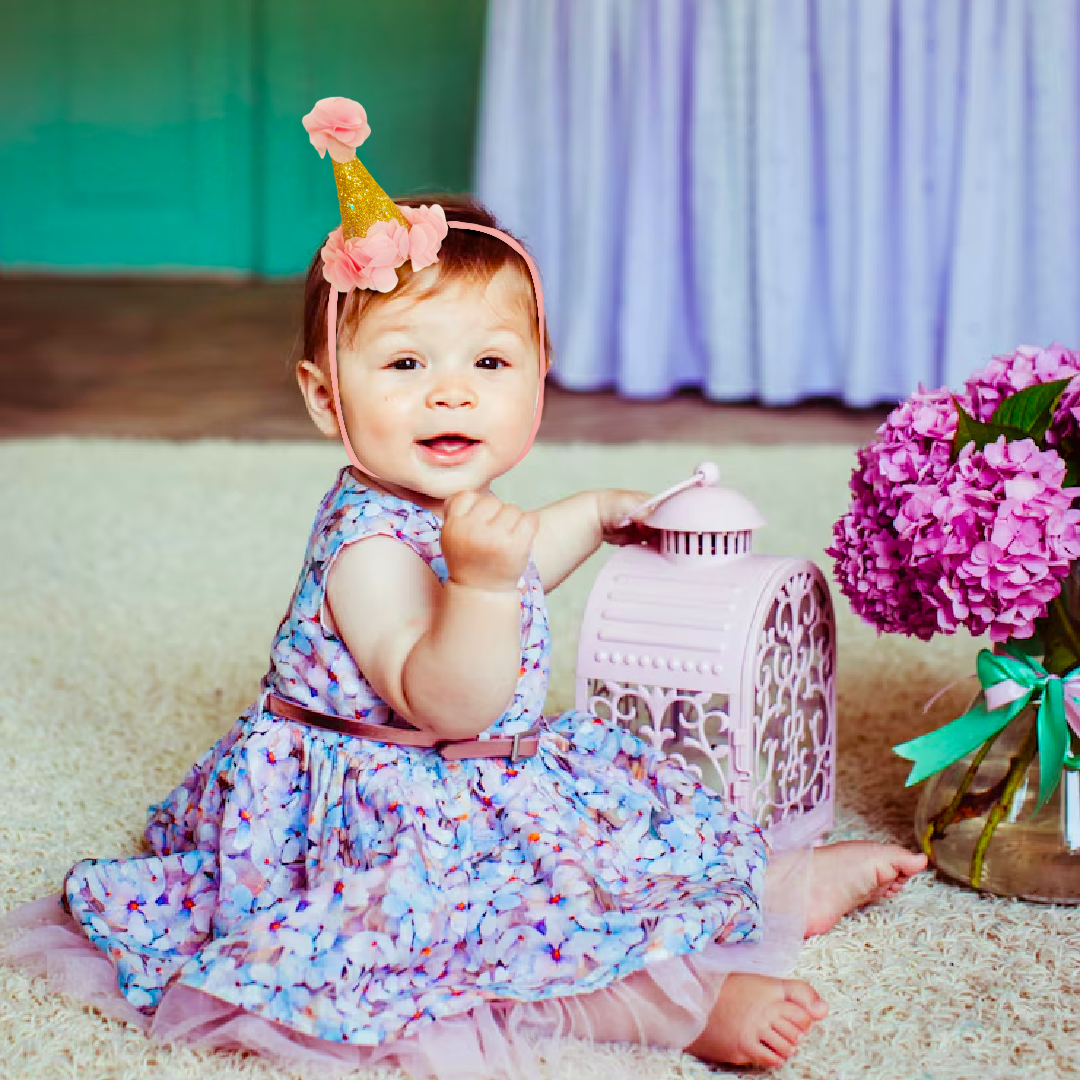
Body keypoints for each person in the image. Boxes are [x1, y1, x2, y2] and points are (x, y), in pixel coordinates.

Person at [0, 99, 927, 1079]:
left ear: (540, 378)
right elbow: (445, 697)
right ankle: (674, 1011)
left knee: (626, 837)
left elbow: (517, 559)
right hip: (385, 809)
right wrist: (482, 587)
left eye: (489, 362)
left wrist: (591, 513)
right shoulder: (366, 545)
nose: (452, 391)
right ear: (327, 397)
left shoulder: (455, 504)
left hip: (483, 776)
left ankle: (774, 889)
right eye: (405, 363)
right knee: (455, 947)